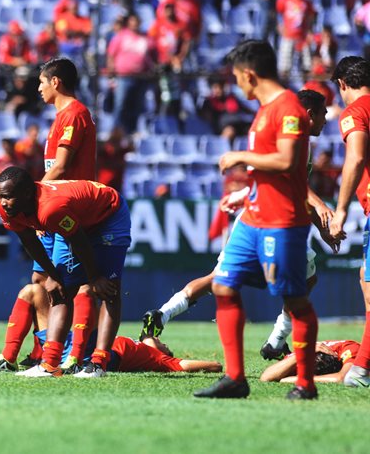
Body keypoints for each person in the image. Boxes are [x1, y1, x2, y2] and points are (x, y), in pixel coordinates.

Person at [140, 89, 333, 363]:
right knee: (305, 283)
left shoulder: (288, 136)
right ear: (310, 114)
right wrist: (322, 211)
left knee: (218, 278)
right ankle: (278, 343)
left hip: (253, 216)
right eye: (323, 113)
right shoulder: (293, 140)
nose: (326, 120)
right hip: (275, 222)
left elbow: (281, 183)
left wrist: (243, 195)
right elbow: (293, 183)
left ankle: (163, 313)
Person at [194, 40, 319, 401]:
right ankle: (235, 379)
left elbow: (285, 160)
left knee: (295, 300)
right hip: (253, 217)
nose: (237, 85)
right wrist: (246, 192)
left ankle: (306, 384)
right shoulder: (264, 109)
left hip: (282, 221)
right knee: (223, 285)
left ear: (249, 74)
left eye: (237, 78)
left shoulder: (288, 107)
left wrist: (238, 155)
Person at [0, 168, 128, 378]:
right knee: (62, 290)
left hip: (108, 214)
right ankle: (50, 364)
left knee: (109, 290)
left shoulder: (51, 209)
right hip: (76, 220)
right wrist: (53, 276)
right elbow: (29, 241)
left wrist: (94, 278)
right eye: (0, 196)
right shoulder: (6, 207)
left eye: (8, 197)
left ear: (27, 193)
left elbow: (80, 241)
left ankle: (98, 363)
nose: (2, 202)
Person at [38, 58, 99, 368]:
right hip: (52, 205)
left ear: (56, 82)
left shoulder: (75, 113)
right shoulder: (61, 115)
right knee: (39, 282)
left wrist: (35, 198)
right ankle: (44, 353)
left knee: (62, 285)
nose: (39, 88)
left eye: (42, 82)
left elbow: (61, 167)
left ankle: (68, 357)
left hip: (65, 208)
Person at [324, 56, 370, 387]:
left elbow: (355, 156)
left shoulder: (355, 112)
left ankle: (362, 370)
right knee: (364, 277)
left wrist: (340, 210)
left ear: (342, 84)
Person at [260, 340, 362, 384]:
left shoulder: (351, 349)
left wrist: (296, 379)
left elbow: (343, 377)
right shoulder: (304, 356)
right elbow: (266, 377)